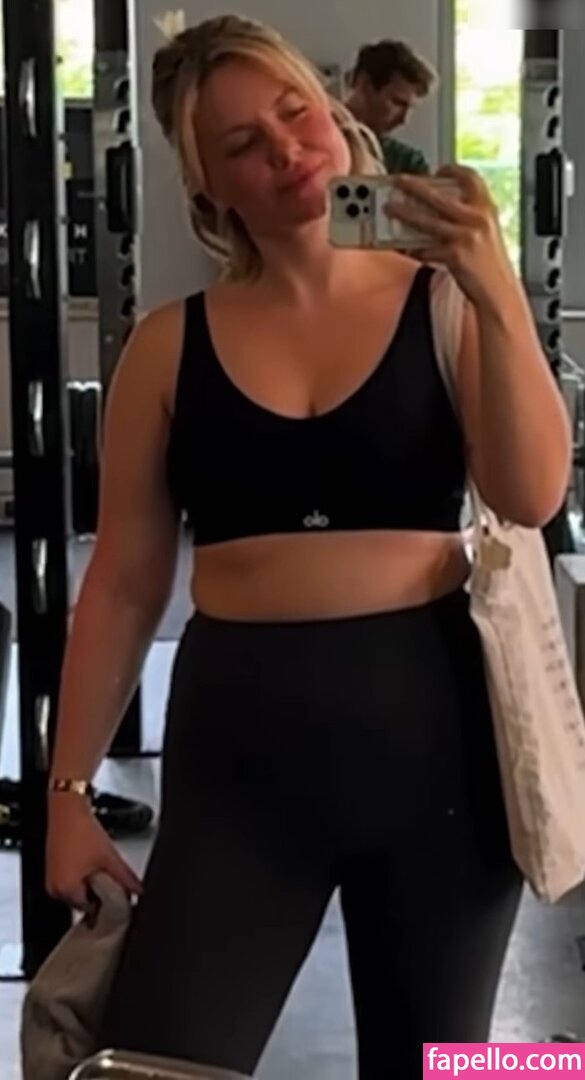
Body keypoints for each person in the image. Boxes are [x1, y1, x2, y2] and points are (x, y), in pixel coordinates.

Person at [45, 13, 572, 1079]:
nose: (286, 150)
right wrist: (66, 793)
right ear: (208, 188)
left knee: (439, 1067)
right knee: (155, 1064)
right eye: (244, 144)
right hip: (240, 764)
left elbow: (529, 493)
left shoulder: (444, 302)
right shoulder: (165, 347)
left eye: (297, 114)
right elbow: (125, 585)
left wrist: (495, 286)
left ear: (335, 117)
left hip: (442, 759)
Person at [346, 40, 436, 174]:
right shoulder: (319, 143)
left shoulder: (408, 162)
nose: (404, 120)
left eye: (410, 108)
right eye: (397, 103)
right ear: (365, 84)